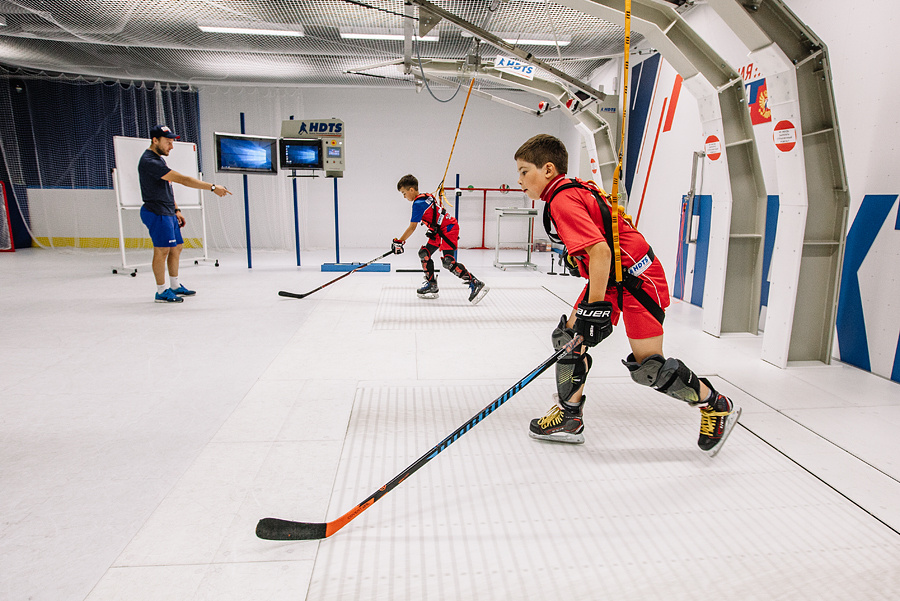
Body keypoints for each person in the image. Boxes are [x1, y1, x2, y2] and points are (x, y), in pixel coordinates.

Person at [514, 134, 740, 456]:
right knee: (569, 341)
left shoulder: (561, 200)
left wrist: (593, 309)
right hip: (615, 280)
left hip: (638, 283)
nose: (519, 180)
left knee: (649, 369)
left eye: (524, 171)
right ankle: (569, 417)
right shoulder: (573, 188)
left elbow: (601, 252)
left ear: (548, 170)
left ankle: (714, 403)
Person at [138, 124, 231, 303]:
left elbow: (167, 187)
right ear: (155, 140)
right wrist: (212, 187)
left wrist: (176, 210)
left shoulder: (158, 159)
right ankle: (161, 291)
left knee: (177, 248)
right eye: (168, 142)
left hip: (168, 212)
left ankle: (174, 285)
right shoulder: (150, 161)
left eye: (172, 142)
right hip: (156, 212)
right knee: (162, 250)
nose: (171, 147)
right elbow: (183, 180)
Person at [391, 174, 489, 304]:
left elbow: (412, 227)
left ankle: (475, 282)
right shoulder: (425, 197)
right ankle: (432, 285)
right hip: (438, 230)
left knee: (449, 262)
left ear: (411, 190)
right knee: (424, 254)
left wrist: (399, 242)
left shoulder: (418, 203)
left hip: (448, 229)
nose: (404, 196)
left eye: (404, 193)